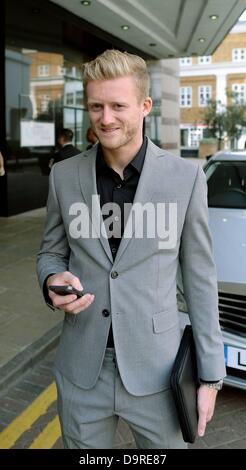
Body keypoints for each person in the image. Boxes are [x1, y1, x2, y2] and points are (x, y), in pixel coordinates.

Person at [37, 49, 226, 449]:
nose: (105, 119)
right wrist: (52, 278)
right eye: (96, 106)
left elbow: (200, 280)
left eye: (118, 106)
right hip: (81, 372)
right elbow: (51, 252)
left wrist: (210, 376)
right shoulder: (63, 176)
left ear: (145, 106)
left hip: (158, 371)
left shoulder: (185, 178)